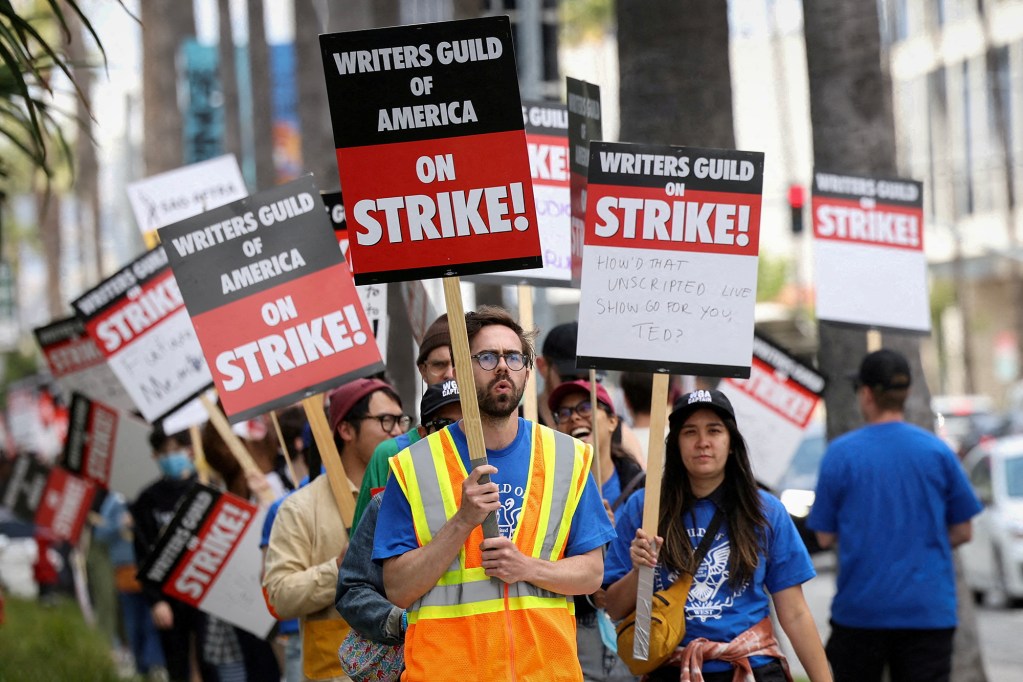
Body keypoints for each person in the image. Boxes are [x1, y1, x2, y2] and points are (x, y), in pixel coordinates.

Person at [373, 306, 617, 681]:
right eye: (487, 357)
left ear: (527, 368)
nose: (503, 367)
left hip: (546, 673)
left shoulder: (568, 457)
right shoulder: (413, 465)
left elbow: (591, 574)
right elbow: (398, 590)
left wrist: (527, 567)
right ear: (460, 370)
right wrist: (462, 522)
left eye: (514, 357)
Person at [605, 389, 832, 682]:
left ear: (732, 442)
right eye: (690, 432)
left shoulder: (766, 511)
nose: (703, 443)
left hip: (751, 669)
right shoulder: (643, 508)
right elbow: (612, 607)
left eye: (714, 430)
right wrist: (640, 570)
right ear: (675, 445)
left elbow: (796, 613)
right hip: (670, 670)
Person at [807, 349, 982, 682]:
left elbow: (825, 535)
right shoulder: (937, 451)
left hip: (861, 612)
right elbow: (964, 531)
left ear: (867, 394)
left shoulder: (841, 454)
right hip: (928, 612)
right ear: (907, 393)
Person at [263, 377, 408, 682]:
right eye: (385, 420)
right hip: (334, 673)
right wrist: (339, 569)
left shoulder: (411, 494)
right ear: (345, 430)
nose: (397, 431)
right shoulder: (301, 508)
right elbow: (278, 595)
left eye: (402, 420)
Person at [335, 380, 464, 649]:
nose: (456, 434)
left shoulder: (512, 494)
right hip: (423, 665)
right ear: (423, 434)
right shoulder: (391, 501)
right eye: (443, 425)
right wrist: (400, 621)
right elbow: (352, 589)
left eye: (467, 423)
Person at [549, 379, 644, 681]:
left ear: (613, 420)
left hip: (633, 623)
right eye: (563, 413)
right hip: (573, 627)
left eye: (586, 407)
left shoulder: (643, 489)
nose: (574, 417)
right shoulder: (547, 487)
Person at [351, 314, 452, 529]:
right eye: (439, 364)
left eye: (460, 363)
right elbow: (364, 546)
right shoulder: (388, 454)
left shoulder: (496, 442)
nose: (450, 374)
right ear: (423, 370)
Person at [131, 426, 212, 682]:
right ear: (155, 456)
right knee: (177, 665)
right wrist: (155, 600)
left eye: (176, 450)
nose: (171, 457)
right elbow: (143, 554)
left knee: (210, 662)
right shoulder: (147, 499)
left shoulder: (206, 487)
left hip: (207, 592)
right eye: (164, 452)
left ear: (189, 450)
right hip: (168, 596)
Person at [537, 321, 644, 460]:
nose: (581, 385)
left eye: (592, 379)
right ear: (543, 367)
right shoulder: (518, 424)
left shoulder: (618, 433)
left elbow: (640, 478)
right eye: (570, 377)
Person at [93, 491, 167, 680]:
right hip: (125, 572)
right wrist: (120, 523)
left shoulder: (151, 498)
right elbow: (101, 533)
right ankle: (138, 663)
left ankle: (155, 664)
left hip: (150, 569)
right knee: (132, 622)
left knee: (151, 621)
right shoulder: (114, 502)